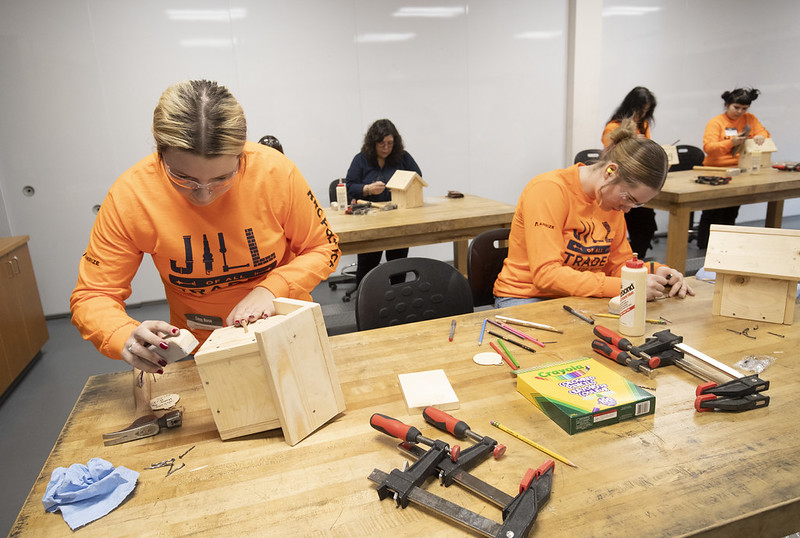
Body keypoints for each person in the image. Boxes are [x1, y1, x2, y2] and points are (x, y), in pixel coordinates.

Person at [71, 80, 340, 374]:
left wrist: (271, 289)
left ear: (241, 155)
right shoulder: (131, 196)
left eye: (221, 178)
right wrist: (122, 335)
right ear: (160, 153)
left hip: (286, 330)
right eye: (183, 178)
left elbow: (323, 247)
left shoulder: (276, 173)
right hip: (203, 346)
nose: (203, 196)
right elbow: (93, 294)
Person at [493, 120, 693, 307]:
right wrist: (628, 287)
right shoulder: (549, 190)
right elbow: (547, 276)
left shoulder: (610, 201)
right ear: (610, 171)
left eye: (636, 204)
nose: (626, 209)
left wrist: (656, 271)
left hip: (579, 297)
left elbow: (617, 265)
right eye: (628, 198)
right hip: (526, 296)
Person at [345, 119, 422, 284]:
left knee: (398, 264)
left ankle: (397, 294)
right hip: (369, 221)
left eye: (390, 143)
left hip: (398, 220)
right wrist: (367, 189)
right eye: (381, 144)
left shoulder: (403, 158)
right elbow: (350, 186)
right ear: (373, 143)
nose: (386, 148)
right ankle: (365, 295)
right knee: (368, 265)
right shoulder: (361, 159)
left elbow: (417, 178)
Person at [696, 87, 769, 249]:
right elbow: (709, 148)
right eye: (736, 107)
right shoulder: (716, 122)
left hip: (740, 170)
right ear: (727, 104)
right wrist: (731, 142)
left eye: (744, 108)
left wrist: (760, 136)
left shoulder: (750, 119)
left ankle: (725, 245)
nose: (740, 112)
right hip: (715, 170)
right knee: (712, 212)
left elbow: (764, 132)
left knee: (731, 210)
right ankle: (705, 246)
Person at [601, 87, 658, 259]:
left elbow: (647, 150)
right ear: (631, 107)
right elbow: (611, 155)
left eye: (646, 112)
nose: (642, 116)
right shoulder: (613, 127)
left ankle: (636, 258)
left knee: (647, 225)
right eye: (640, 111)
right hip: (623, 181)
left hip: (639, 180)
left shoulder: (643, 125)